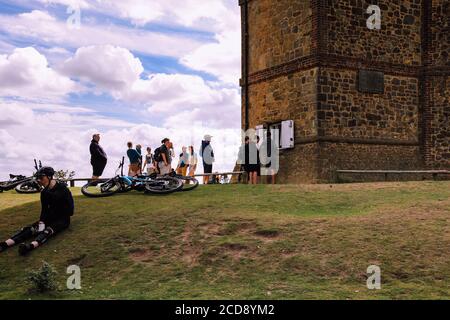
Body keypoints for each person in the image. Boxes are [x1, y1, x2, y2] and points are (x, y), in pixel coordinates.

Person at [0, 167, 74, 256]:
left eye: (41, 178)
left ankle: (29, 247)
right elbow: (44, 209)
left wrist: (45, 193)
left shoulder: (62, 188)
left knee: (47, 231)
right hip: (49, 218)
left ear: (49, 177)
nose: (39, 180)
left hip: (63, 219)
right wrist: (41, 221)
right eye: (38, 178)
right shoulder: (44, 192)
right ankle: (4, 244)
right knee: (30, 229)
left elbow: (70, 210)